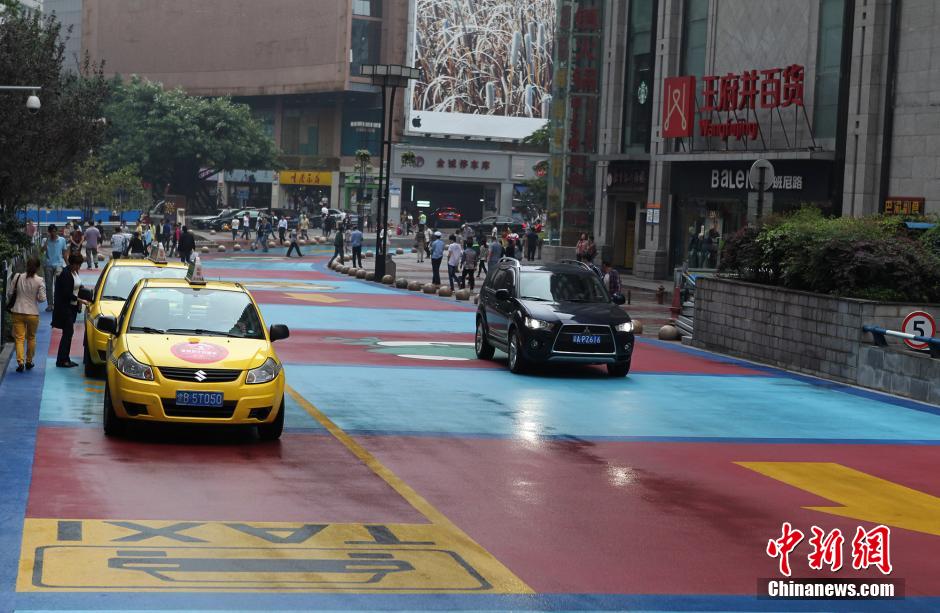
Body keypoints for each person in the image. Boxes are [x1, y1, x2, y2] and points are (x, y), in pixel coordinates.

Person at [6, 256, 46, 372]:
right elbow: (42, 299)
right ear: (38, 268)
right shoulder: (39, 280)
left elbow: (9, 293)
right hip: (32, 313)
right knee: (31, 337)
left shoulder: (18, 277)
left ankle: (20, 362)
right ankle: (29, 361)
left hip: (17, 311)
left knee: (19, 338)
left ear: (26, 265)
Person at [52, 253, 88, 368]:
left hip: (72, 308)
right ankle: (62, 360)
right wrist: (79, 300)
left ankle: (65, 358)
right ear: (72, 263)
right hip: (65, 307)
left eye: (79, 265)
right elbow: (66, 293)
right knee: (68, 333)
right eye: (77, 265)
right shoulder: (66, 274)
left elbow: (78, 286)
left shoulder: (73, 272)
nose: (78, 267)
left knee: (68, 333)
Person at [42, 225, 67, 312]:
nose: (53, 233)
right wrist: (46, 242)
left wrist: (67, 265)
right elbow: (42, 250)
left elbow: (64, 253)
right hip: (48, 264)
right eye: (51, 231)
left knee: (58, 285)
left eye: (54, 231)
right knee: (48, 286)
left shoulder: (62, 240)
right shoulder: (45, 240)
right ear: (49, 232)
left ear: (57, 231)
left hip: (59, 265)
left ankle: (57, 303)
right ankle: (50, 304)